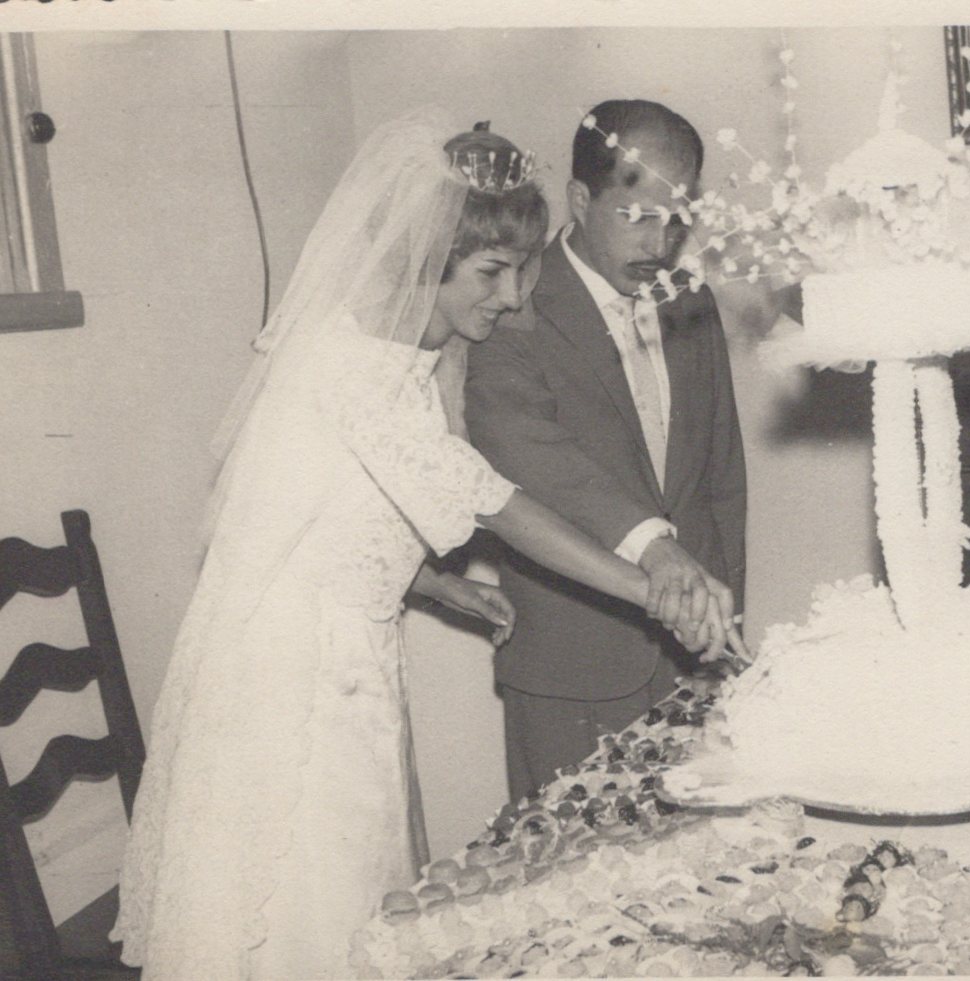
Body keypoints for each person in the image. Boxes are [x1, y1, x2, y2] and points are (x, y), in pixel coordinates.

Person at [110, 112, 723, 980]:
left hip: (350, 655)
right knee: (305, 909)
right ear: (426, 261)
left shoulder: (389, 353)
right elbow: (499, 504)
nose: (513, 296)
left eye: (522, 269)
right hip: (296, 677)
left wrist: (435, 584)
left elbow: (328, 507)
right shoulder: (352, 368)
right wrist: (650, 588)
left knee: (356, 889)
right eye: (491, 272)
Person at [465, 98, 747, 804]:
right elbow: (525, 452)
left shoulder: (689, 298)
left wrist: (721, 626)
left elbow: (720, 480)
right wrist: (656, 550)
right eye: (638, 216)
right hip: (572, 669)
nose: (660, 243)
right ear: (581, 199)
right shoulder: (513, 300)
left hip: (693, 660)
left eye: (676, 220)